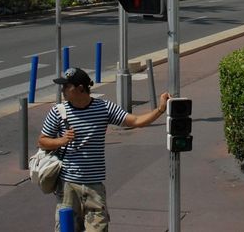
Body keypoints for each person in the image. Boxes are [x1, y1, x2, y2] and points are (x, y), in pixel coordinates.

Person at [39, 67, 170, 232]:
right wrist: (61, 140)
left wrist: (160, 109)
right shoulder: (58, 112)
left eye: (66, 86)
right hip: (67, 186)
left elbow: (135, 120)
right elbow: (42, 141)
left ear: (80, 88)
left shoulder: (104, 108)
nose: (63, 90)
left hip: (94, 187)